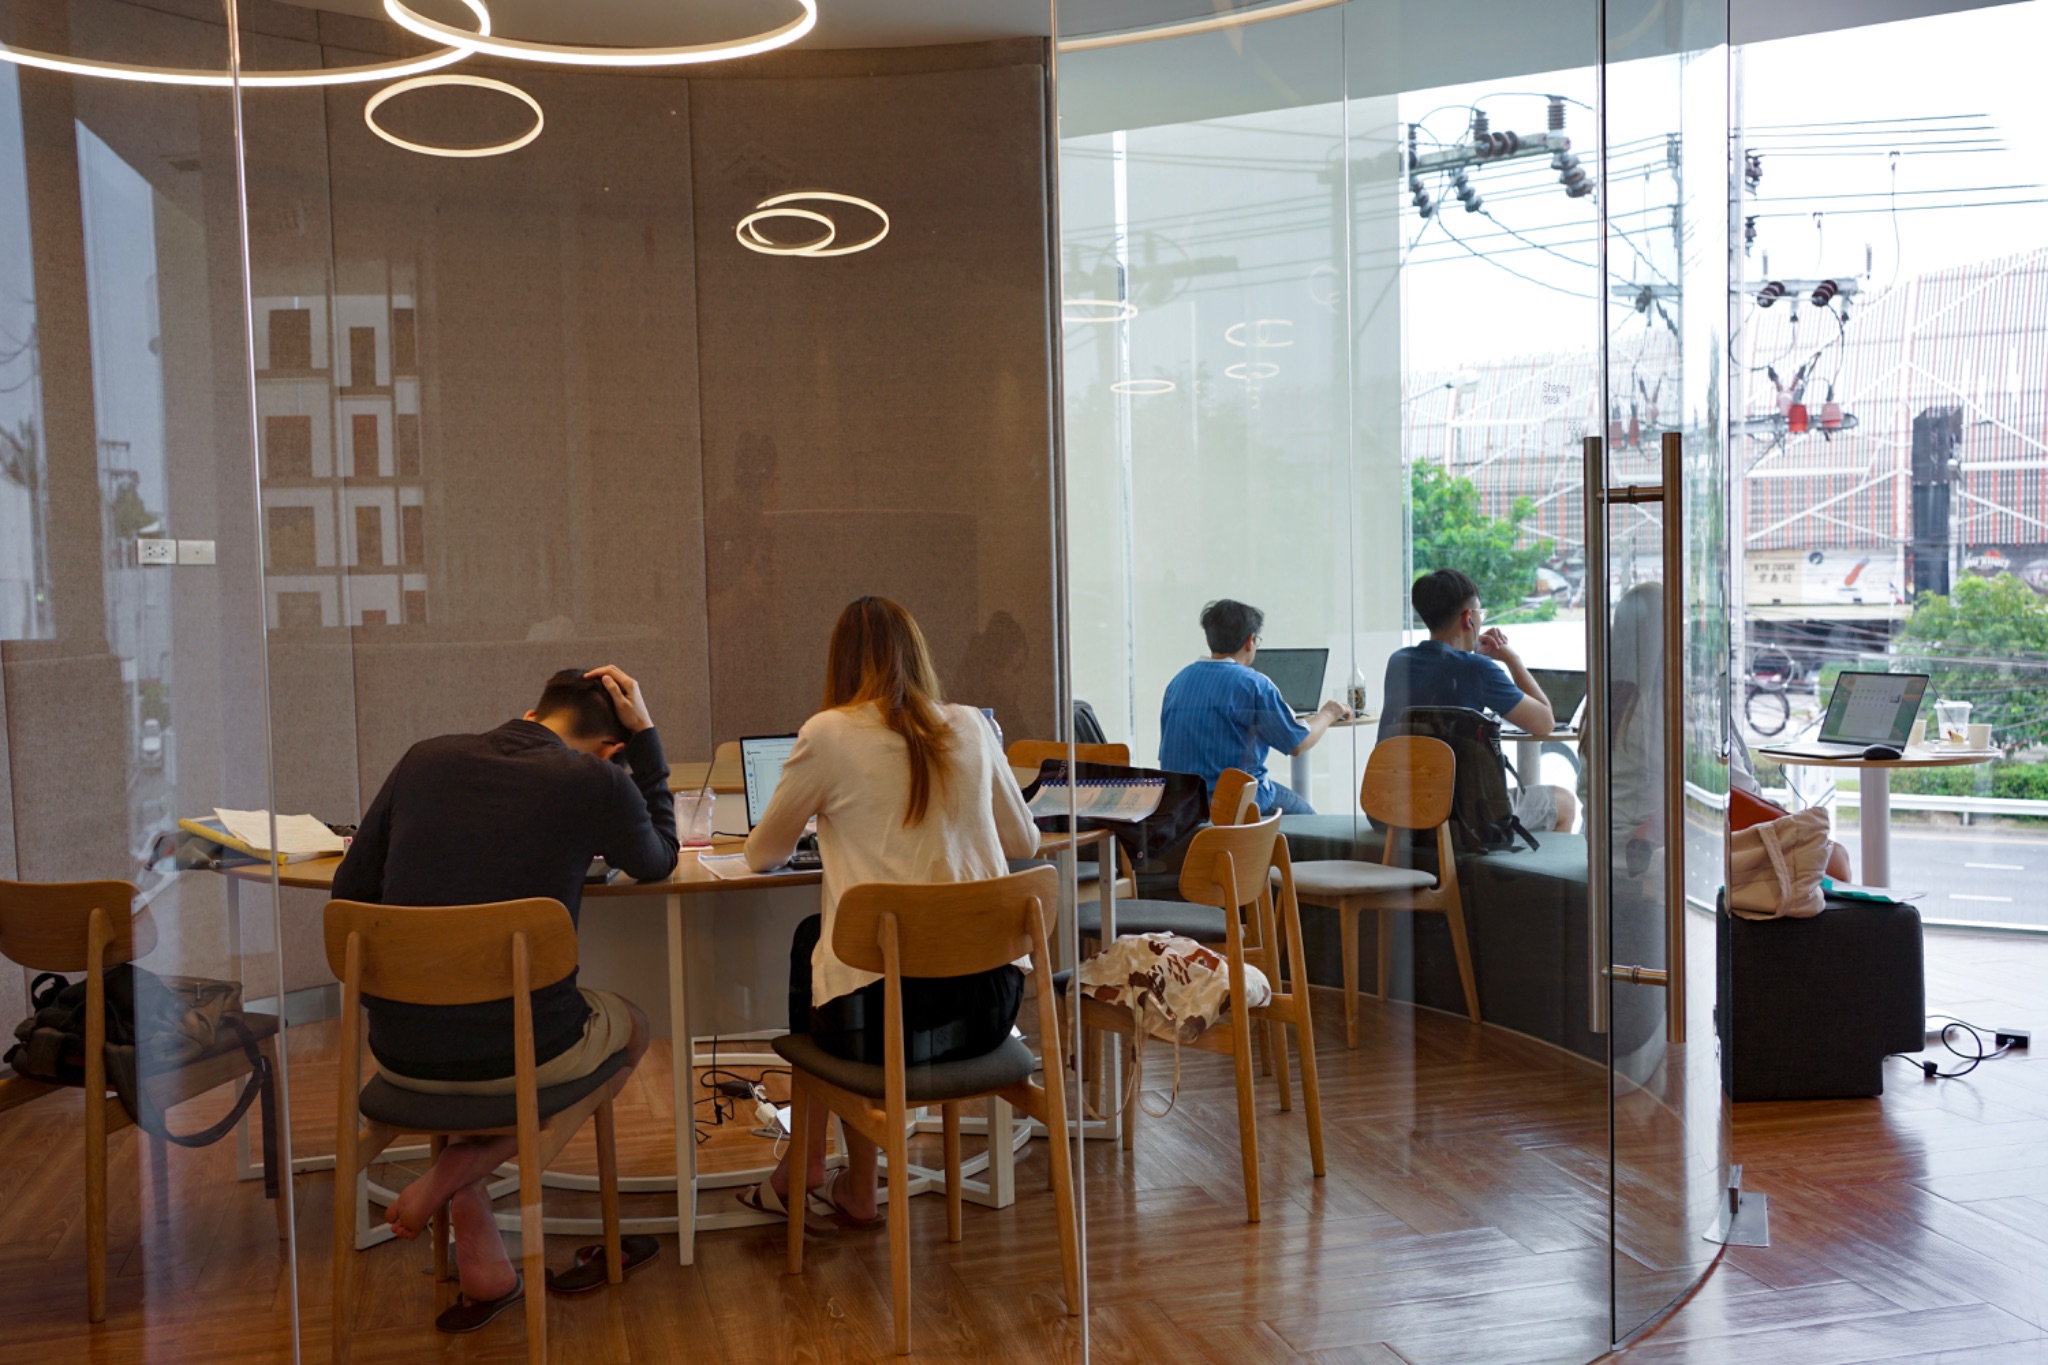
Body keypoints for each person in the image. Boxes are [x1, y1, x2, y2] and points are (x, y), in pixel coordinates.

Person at [331, 665, 677, 1329]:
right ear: (612, 747)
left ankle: (485, 1263)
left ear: (534, 710)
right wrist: (649, 742)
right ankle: (456, 1172)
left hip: (401, 1051)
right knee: (630, 1024)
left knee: (487, 1018)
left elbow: (350, 892)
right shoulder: (597, 779)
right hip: (518, 1054)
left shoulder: (423, 759)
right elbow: (658, 856)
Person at [738, 597, 1040, 1229]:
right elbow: (1024, 843)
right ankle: (843, 1180)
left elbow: (762, 854)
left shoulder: (827, 733)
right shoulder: (972, 724)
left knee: (817, 945)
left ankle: (815, 1165)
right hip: (990, 1011)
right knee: (819, 939)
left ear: (840, 663)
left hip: (889, 1027)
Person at [1380, 569, 1578, 833]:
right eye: (1480, 614)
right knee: (1564, 802)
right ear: (1468, 618)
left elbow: (1443, 668)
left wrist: (1471, 651)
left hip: (1398, 808)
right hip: (1462, 814)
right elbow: (1544, 723)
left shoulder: (1399, 661)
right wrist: (1511, 659)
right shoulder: (1478, 669)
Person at [1158, 598, 1350, 816]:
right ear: (1250, 641)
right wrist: (1329, 713)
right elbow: (1298, 744)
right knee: (1310, 820)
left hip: (1185, 807)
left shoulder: (1177, 682)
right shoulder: (1253, 684)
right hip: (1237, 803)